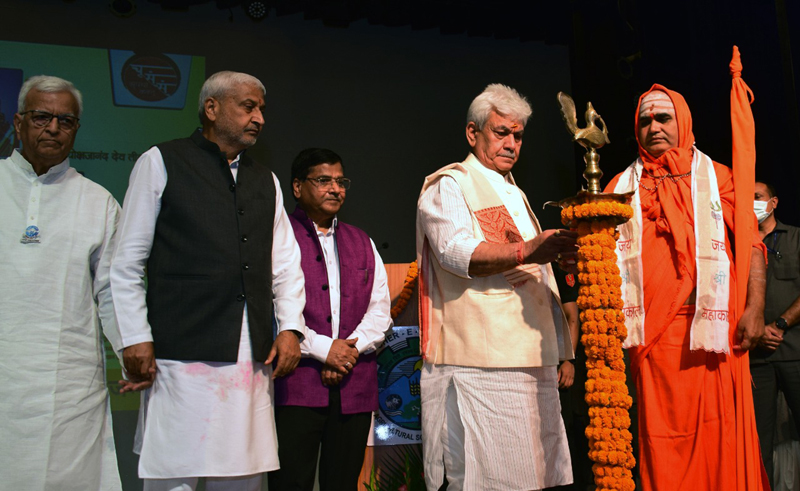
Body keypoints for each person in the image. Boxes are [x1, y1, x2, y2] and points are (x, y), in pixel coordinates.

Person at [110, 71, 306, 491]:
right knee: (173, 472)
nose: (259, 118)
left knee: (243, 472)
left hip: (249, 357)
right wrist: (135, 336)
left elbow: (287, 264)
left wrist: (291, 327)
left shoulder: (265, 179)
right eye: (248, 107)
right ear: (212, 108)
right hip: (180, 354)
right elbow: (126, 262)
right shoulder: (161, 161)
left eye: (262, 110)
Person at [605, 85, 769, 491]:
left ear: (683, 122)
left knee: (719, 436)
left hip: (713, 333)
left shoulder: (718, 176)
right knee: (659, 440)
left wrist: (755, 308)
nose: (654, 128)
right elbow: (599, 253)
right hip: (653, 339)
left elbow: (751, 244)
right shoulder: (620, 186)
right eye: (645, 121)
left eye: (663, 118)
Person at [416, 83, 577, 491]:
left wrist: (555, 258)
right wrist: (528, 249)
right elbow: (454, 252)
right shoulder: (451, 184)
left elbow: (525, 266)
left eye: (518, 136)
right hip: (482, 363)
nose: (511, 143)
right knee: (493, 479)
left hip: (530, 356)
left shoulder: (514, 192)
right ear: (473, 133)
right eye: (501, 132)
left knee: (535, 477)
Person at [0, 75, 123, 490]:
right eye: (41, 117)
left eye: (65, 121)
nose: (53, 128)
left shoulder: (98, 201)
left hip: (68, 381)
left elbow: (113, 292)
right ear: (18, 123)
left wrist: (131, 354)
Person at [268, 147, 392, 491]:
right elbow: (272, 308)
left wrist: (347, 353)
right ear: (297, 187)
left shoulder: (361, 240)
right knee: (290, 483)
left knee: (343, 483)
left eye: (341, 181)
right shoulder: (277, 237)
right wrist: (325, 350)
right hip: (296, 384)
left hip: (354, 385)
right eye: (323, 180)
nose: (335, 189)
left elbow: (380, 311)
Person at [750, 180, 800, 489]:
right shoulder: (736, 244)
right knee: (758, 442)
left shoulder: (795, 237)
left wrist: (780, 324)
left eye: (758, 196)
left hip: (794, 352)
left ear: (774, 202)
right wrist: (756, 332)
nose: (752, 202)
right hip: (756, 358)